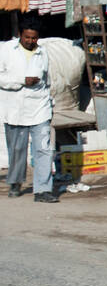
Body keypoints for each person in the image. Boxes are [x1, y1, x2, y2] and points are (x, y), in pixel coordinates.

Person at [1, 25, 56, 202]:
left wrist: (50, 103)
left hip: (39, 108)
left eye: (34, 38)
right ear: (20, 35)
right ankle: (16, 182)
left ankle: (43, 190)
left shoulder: (43, 53)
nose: (31, 41)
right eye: (27, 38)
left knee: (43, 149)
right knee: (17, 149)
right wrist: (21, 81)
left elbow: (48, 79)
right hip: (15, 109)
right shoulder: (6, 50)